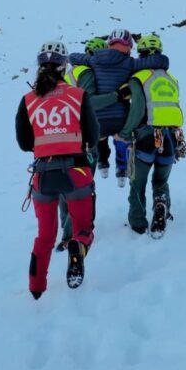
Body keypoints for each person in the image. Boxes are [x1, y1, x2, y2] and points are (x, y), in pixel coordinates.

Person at [15, 41, 99, 299]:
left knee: (45, 236)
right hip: (77, 172)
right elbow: (92, 135)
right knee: (83, 229)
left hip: (43, 175)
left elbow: (24, 143)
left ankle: (36, 289)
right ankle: (77, 246)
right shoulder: (78, 95)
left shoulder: (28, 100)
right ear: (64, 67)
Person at [69, 29, 169, 188]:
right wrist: (163, 61)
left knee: (94, 149)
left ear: (109, 44)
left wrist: (87, 58)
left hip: (97, 122)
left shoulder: (93, 60)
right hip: (120, 120)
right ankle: (123, 171)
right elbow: (156, 61)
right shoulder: (129, 63)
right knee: (126, 139)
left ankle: (93, 176)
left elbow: (73, 57)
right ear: (128, 46)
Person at [117, 34, 186, 236]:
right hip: (171, 137)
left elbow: (137, 108)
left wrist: (124, 133)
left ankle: (138, 223)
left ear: (141, 53)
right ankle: (162, 204)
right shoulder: (172, 79)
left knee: (137, 184)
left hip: (146, 137)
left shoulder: (139, 77)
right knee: (161, 181)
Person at [56, 36, 121, 252]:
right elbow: (89, 101)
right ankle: (74, 234)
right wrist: (115, 96)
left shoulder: (70, 72)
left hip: (63, 135)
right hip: (81, 138)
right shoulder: (86, 73)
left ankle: (66, 232)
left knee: (64, 186)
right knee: (83, 186)